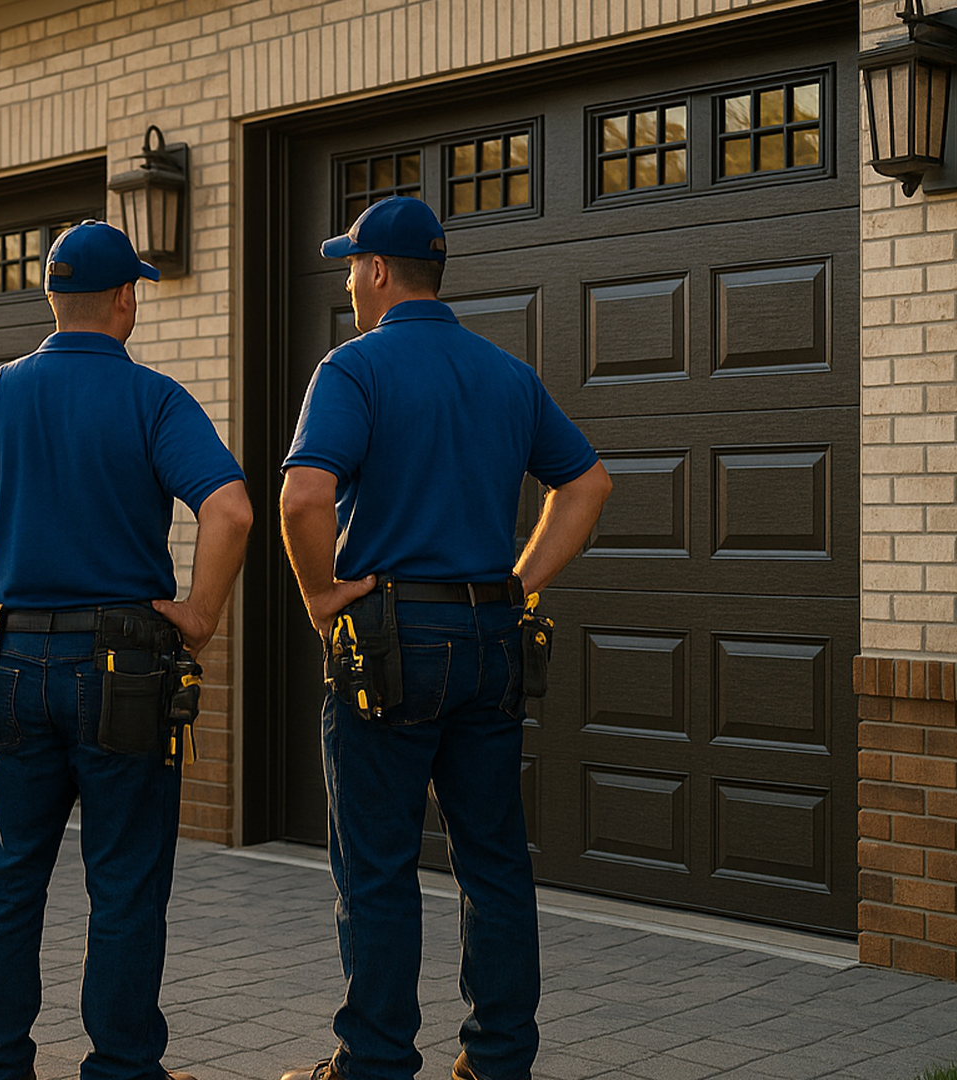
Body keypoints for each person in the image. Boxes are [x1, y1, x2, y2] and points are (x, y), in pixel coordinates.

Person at [0, 220, 253, 1080]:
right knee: (124, 885)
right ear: (124, 299)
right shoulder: (154, 399)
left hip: (13, 668)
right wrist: (200, 614)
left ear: (53, 297)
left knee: (8, 878)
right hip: (126, 672)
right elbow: (230, 509)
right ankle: (122, 1069)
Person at [276, 197, 612, 1080]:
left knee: (378, 866)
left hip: (389, 644)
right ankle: (498, 1061)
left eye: (353, 267)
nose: (349, 283)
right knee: (494, 861)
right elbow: (587, 485)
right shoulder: (507, 374)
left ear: (380, 271)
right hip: (490, 638)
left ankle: (376, 1063)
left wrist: (321, 596)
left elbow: (304, 496)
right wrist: (519, 584)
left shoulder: (353, 369)